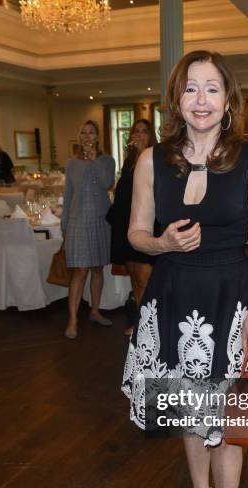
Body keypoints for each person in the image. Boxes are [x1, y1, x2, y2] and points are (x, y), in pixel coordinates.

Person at [121, 50, 248, 488]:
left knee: (228, 427)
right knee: (189, 416)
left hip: (232, 302)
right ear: (177, 98)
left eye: (213, 89)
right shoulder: (151, 162)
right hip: (173, 301)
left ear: (229, 99)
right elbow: (137, 234)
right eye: (191, 89)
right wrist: (161, 242)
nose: (202, 100)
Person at [61, 120, 115, 339]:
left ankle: (94, 310)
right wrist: (64, 223)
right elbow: (67, 195)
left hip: (101, 220)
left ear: (97, 137)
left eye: (91, 133)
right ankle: (73, 320)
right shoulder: (71, 163)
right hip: (77, 221)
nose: (86, 137)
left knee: (97, 269)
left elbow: (107, 183)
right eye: (83, 133)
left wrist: (95, 161)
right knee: (80, 270)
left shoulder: (107, 160)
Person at [108, 119, 157, 335]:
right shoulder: (128, 163)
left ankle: (151, 325)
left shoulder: (154, 160)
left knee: (146, 277)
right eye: (135, 132)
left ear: (150, 137)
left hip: (146, 226)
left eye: (143, 132)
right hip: (127, 225)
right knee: (134, 277)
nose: (138, 135)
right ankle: (139, 321)